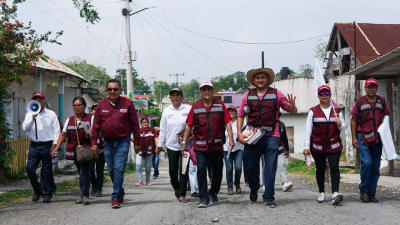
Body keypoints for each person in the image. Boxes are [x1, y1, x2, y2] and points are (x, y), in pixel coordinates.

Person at [237, 68, 297, 208]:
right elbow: (240, 115)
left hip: (271, 136)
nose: (260, 80)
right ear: (254, 80)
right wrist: (240, 133)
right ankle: (253, 187)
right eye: (257, 78)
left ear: (267, 80)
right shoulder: (247, 95)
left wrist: (293, 107)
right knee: (251, 167)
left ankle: (269, 197)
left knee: (270, 168)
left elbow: (290, 109)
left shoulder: (276, 94)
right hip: (252, 136)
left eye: (263, 77)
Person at [180, 81, 235, 208]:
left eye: (209, 89)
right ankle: (204, 197)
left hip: (216, 146)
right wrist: (184, 142)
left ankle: (213, 192)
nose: (206, 92)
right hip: (200, 147)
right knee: (201, 171)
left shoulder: (220, 105)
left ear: (212, 91)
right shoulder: (196, 106)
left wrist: (231, 139)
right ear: (200, 92)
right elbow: (189, 126)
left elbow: (227, 122)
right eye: (204, 90)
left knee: (218, 172)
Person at [91, 79, 141, 209]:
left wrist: (137, 141)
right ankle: (120, 190)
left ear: (120, 90)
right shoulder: (101, 105)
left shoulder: (128, 104)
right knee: (112, 169)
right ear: (106, 91)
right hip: (107, 142)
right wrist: (94, 143)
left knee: (119, 168)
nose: (112, 91)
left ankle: (115, 197)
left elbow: (135, 124)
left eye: (115, 89)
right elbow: (96, 125)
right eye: (110, 89)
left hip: (123, 141)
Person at [303, 85, 345, 205]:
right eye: (322, 94)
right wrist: (306, 147)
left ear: (330, 95)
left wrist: (340, 124)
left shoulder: (336, 110)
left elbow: (343, 127)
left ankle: (335, 193)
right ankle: (321, 192)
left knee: (334, 167)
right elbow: (308, 130)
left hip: (334, 145)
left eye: (327, 94)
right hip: (318, 146)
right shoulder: (312, 111)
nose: (324, 96)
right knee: (320, 169)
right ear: (318, 96)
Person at [351, 78, 390, 203]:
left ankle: (371, 193)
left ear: (376, 88)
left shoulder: (382, 101)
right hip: (363, 137)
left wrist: (387, 138)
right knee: (366, 163)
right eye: (369, 87)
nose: (371, 89)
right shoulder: (360, 102)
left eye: (373, 87)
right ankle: (363, 190)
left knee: (375, 166)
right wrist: (353, 138)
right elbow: (354, 120)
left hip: (378, 139)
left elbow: (386, 119)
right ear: (365, 88)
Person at [54, 97, 94, 205]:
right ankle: (83, 194)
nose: (77, 107)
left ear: (84, 106)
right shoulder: (69, 120)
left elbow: (97, 134)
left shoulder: (91, 118)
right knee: (81, 172)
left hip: (87, 150)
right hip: (75, 151)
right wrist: (56, 148)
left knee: (84, 172)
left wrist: (90, 135)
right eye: (75, 105)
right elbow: (63, 134)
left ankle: (85, 195)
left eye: (79, 105)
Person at [22, 93, 60, 203]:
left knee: (46, 171)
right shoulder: (30, 113)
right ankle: (37, 190)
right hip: (34, 145)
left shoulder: (51, 114)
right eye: (36, 100)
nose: (38, 102)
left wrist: (54, 146)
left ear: (44, 101)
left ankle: (47, 193)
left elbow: (56, 131)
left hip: (47, 145)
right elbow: (25, 128)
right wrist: (32, 118)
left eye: (40, 100)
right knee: (30, 169)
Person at [155, 88, 191, 203]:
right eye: (173, 95)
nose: (175, 97)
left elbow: (193, 125)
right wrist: (160, 145)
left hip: (186, 145)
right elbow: (163, 129)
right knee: (173, 170)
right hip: (171, 145)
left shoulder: (188, 109)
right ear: (170, 98)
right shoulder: (166, 111)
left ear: (182, 97)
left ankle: (182, 194)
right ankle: (176, 187)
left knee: (184, 170)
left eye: (178, 95)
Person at [261, 113, 293, 192]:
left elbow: (284, 137)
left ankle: (285, 182)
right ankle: (267, 184)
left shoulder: (281, 125)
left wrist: (287, 149)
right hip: (267, 150)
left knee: (282, 164)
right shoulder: (265, 124)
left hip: (280, 149)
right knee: (269, 167)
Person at [223, 105, 244, 195]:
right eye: (229, 111)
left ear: (236, 113)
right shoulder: (223, 123)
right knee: (229, 169)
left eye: (233, 111)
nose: (231, 113)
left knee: (238, 167)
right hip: (226, 148)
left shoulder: (239, 123)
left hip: (238, 148)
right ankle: (230, 187)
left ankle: (237, 183)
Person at [135, 118, 158, 186]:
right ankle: (140, 180)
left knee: (148, 167)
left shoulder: (152, 130)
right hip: (140, 152)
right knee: (138, 164)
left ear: (148, 123)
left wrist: (157, 147)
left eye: (146, 122)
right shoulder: (138, 131)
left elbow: (156, 138)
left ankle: (147, 181)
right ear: (141, 124)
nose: (144, 123)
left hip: (149, 152)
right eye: (143, 122)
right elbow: (135, 140)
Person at [89, 103, 106, 197]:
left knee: (99, 170)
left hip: (102, 148)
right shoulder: (88, 120)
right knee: (91, 169)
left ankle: (99, 188)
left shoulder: (104, 119)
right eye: (94, 109)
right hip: (91, 148)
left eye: (97, 109)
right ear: (91, 111)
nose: (96, 111)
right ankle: (94, 185)